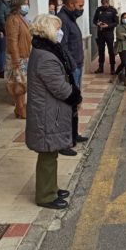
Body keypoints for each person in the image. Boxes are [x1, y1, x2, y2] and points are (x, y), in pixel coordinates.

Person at [26, 14, 82, 210]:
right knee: (48, 155)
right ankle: (46, 196)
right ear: (48, 30)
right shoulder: (46, 57)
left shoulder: (45, 50)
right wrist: (75, 96)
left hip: (50, 110)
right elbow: (59, 87)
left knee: (51, 153)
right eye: (57, 28)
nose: (61, 32)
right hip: (47, 112)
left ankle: (51, 187)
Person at [58, 0, 88, 155]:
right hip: (72, 68)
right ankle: (67, 139)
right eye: (80, 6)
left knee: (75, 102)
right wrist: (72, 66)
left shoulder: (70, 18)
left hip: (76, 65)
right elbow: (63, 46)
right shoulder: (62, 19)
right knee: (69, 102)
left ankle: (74, 135)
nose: (81, 9)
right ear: (70, 5)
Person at [5, 0, 32, 119]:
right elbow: (12, 40)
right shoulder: (13, 19)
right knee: (19, 84)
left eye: (27, 3)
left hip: (25, 55)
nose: (26, 6)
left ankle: (19, 107)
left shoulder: (22, 18)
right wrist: (16, 59)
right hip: (18, 57)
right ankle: (20, 107)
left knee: (23, 83)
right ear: (17, 6)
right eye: (24, 4)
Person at [92, 0, 118, 74]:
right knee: (101, 51)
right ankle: (100, 68)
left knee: (111, 51)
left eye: (106, 4)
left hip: (109, 33)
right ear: (101, 3)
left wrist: (108, 25)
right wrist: (97, 23)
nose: (105, 5)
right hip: (100, 33)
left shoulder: (113, 10)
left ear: (108, 3)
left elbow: (116, 23)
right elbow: (94, 20)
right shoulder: (98, 10)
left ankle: (112, 68)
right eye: (103, 4)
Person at [112, 12, 126, 87]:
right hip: (122, 46)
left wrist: (125, 35)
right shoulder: (118, 27)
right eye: (124, 17)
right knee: (124, 62)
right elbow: (119, 36)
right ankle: (115, 74)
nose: (125, 19)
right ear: (121, 19)